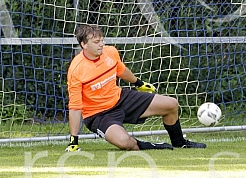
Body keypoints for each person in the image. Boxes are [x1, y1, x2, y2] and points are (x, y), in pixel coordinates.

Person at [65, 24, 205, 152]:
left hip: (121, 99)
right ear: (84, 44)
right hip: (99, 115)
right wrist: (74, 140)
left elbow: (121, 70)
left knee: (171, 104)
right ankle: (151, 146)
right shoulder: (76, 70)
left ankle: (179, 142)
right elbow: (75, 107)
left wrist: (139, 83)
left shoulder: (110, 52)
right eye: (96, 42)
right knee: (125, 142)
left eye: (102, 40)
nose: (101, 45)